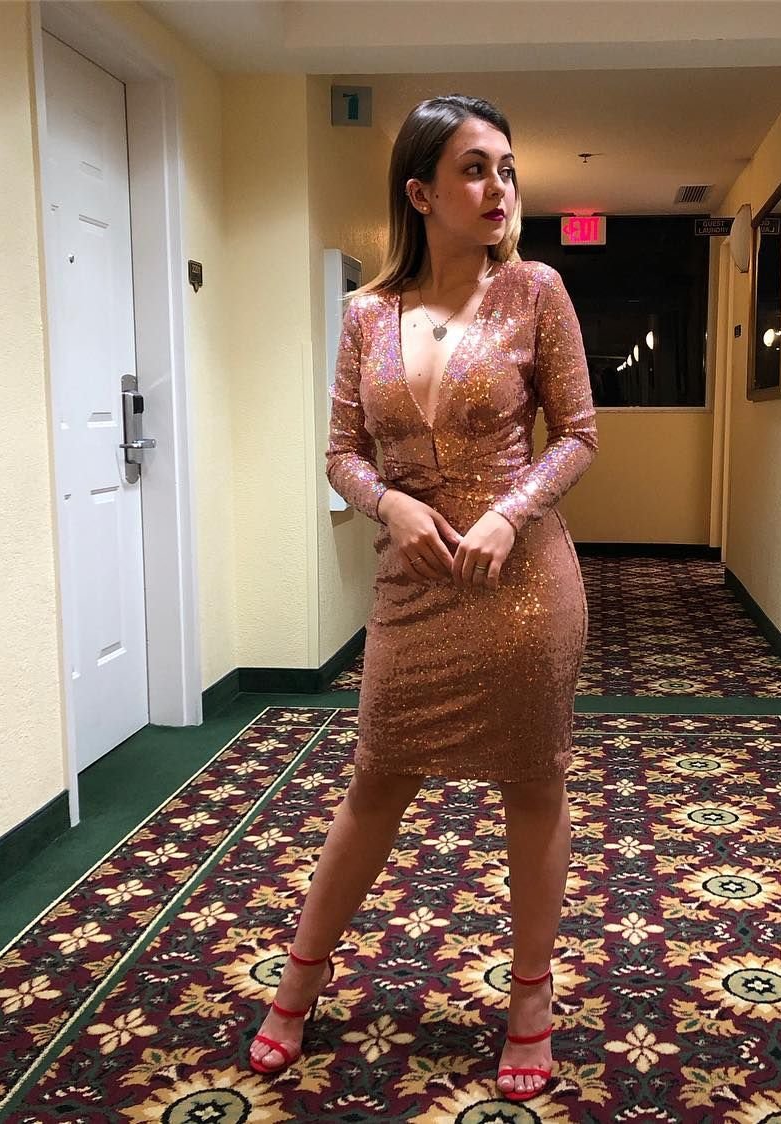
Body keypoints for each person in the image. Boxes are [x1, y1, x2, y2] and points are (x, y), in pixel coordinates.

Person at [249, 93, 598, 1105]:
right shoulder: (368, 313)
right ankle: (301, 975)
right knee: (375, 780)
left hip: (523, 583)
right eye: (475, 169)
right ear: (420, 192)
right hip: (413, 589)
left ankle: (529, 997)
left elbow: (578, 434)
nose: (499, 189)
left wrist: (513, 511)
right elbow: (340, 453)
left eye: (507, 169)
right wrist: (390, 503)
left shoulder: (536, 291)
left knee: (533, 784)